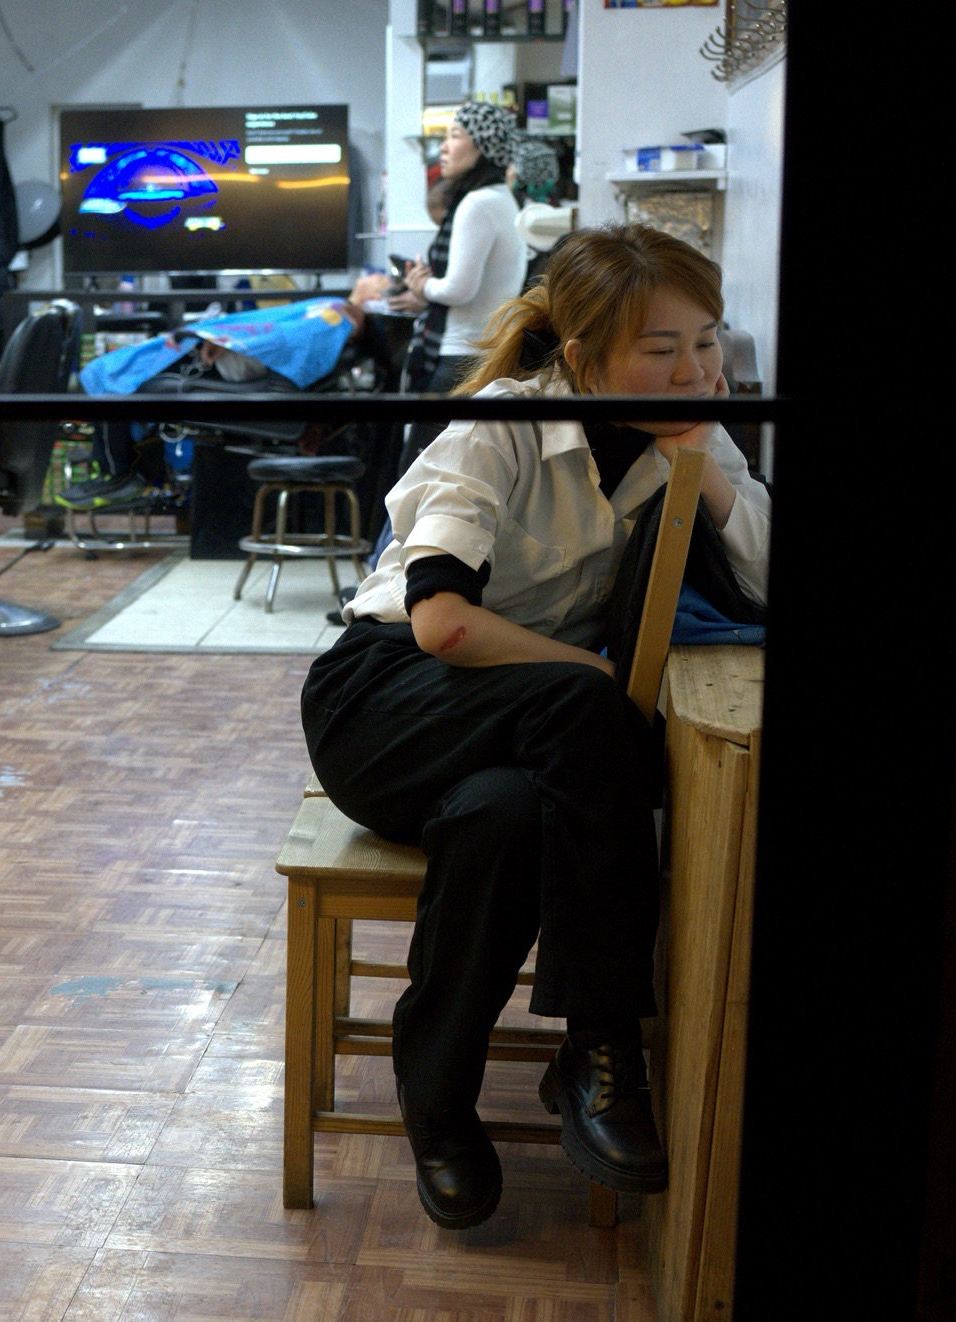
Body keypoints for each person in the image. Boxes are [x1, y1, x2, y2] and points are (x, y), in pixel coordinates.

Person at [297, 225, 770, 1229]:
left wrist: (708, 467)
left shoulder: (678, 431)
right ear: (585, 355)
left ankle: (437, 1100)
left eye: (709, 342)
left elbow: (769, 573)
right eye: (663, 349)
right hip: (384, 706)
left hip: (522, 735)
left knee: (507, 817)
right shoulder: (502, 423)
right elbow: (442, 622)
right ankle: (601, 1048)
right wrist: (595, 675)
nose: (697, 370)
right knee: (592, 711)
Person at [397, 101, 524, 421]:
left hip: (458, 355)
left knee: (424, 467)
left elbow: (458, 290)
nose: (444, 147)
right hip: (480, 352)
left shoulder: (477, 203)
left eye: (455, 135)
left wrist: (423, 285)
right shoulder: (500, 198)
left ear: (482, 146)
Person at [508, 136, 575, 291]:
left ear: (523, 174)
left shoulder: (525, 215)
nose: (508, 172)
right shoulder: (555, 210)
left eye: (512, 167)